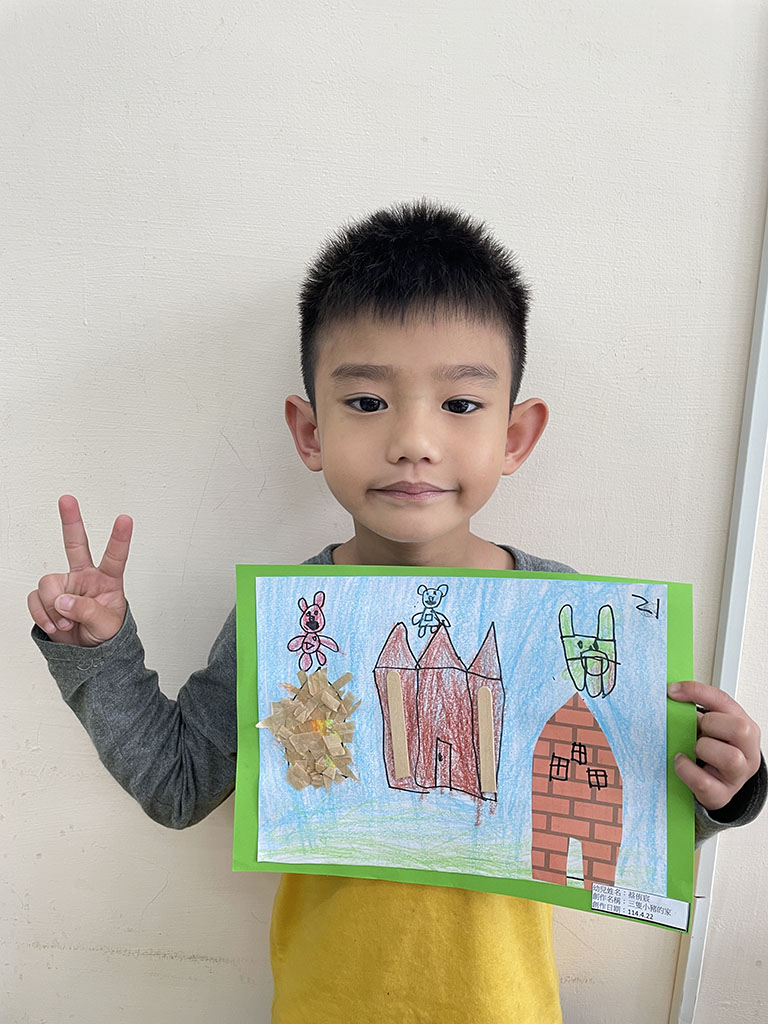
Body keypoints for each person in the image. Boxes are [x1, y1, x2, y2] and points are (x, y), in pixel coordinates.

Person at [28, 199, 766, 1023]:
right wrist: (99, 651)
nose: (414, 440)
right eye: (368, 402)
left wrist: (721, 792)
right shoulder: (290, 621)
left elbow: (619, 829)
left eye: (460, 405)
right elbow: (179, 785)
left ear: (515, 436)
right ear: (310, 432)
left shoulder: (564, 613)